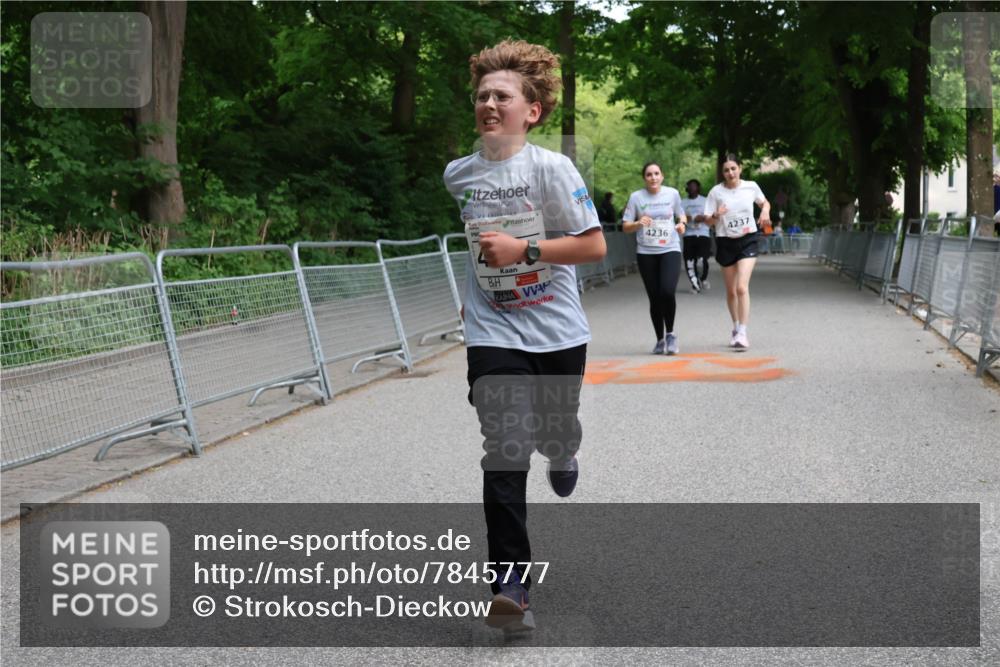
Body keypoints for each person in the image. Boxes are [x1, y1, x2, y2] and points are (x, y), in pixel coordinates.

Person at [442, 39, 606, 632]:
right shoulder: (459, 175)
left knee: (554, 431)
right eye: (482, 95)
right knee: (505, 447)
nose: (489, 103)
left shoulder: (551, 168)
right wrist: (475, 296)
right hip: (493, 330)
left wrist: (524, 249)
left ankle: (563, 447)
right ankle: (511, 585)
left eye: (502, 96)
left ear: (531, 110)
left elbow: (593, 245)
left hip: (557, 329)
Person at [704, 154, 770, 350]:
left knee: (742, 287)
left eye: (733, 168)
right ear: (722, 173)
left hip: (748, 239)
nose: (730, 172)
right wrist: (716, 215)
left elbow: (764, 202)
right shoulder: (716, 192)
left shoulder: (751, 186)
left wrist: (765, 210)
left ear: (740, 168)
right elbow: (707, 220)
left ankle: (743, 331)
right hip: (725, 241)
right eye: (726, 170)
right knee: (731, 291)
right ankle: (735, 327)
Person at [622, 163, 687, 354]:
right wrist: (637, 223)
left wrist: (682, 224)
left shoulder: (672, 194)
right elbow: (625, 226)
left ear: (662, 176)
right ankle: (659, 339)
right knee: (655, 297)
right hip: (646, 252)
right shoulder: (636, 197)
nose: (653, 177)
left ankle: (671, 334)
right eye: (649, 174)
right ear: (644, 178)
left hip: (670, 248)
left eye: (656, 174)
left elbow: (681, 215)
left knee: (667, 291)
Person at [681, 178, 711, 293]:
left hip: (703, 234)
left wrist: (702, 217)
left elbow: (709, 216)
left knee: (702, 260)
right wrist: (695, 217)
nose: (692, 188)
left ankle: (703, 278)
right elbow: (681, 218)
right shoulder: (683, 203)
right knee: (689, 261)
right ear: (687, 189)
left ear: (698, 188)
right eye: (690, 186)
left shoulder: (705, 201)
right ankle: (695, 285)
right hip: (689, 235)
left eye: (695, 186)